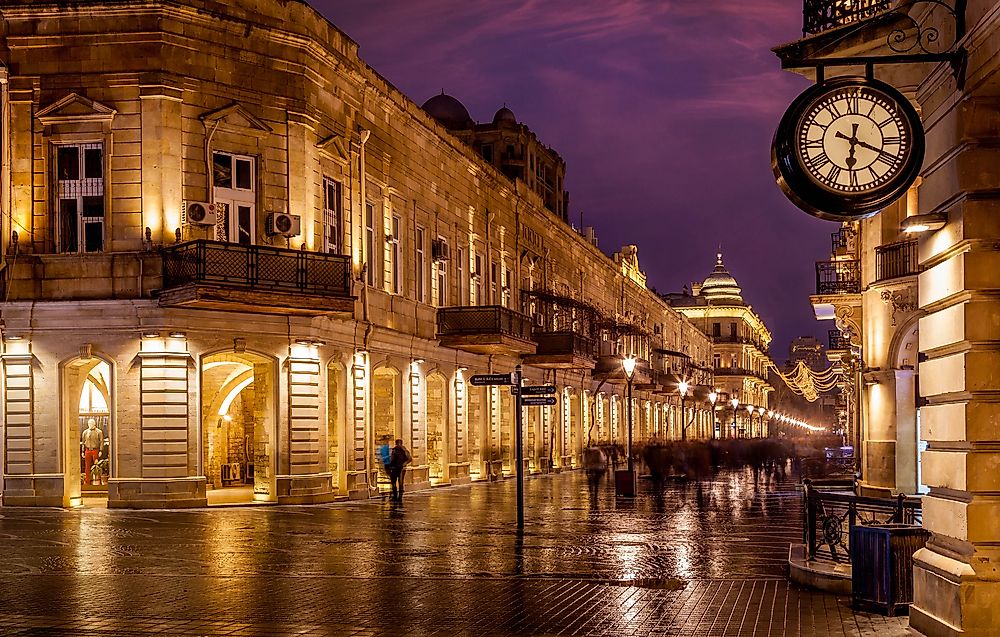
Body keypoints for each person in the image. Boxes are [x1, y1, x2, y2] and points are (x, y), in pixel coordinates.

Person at [82, 418, 103, 486]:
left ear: (94, 424)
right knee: (87, 466)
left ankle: (98, 481)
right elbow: (83, 442)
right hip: (87, 450)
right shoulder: (85, 432)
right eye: (89, 424)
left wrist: (101, 450)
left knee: (96, 466)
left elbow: (101, 441)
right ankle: (87, 481)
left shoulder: (99, 432)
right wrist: (83, 451)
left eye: (91, 423)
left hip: (95, 450)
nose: (90, 425)